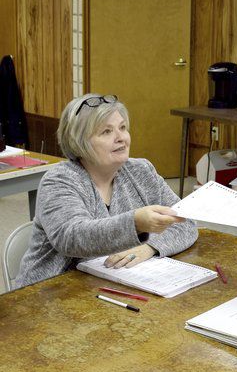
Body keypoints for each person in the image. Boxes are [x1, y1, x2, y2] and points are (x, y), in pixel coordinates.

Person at [16, 93, 197, 288]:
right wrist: (135, 223)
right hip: (50, 295)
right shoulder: (60, 180)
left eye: (122, 128)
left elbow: (185, 223)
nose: (121, 138)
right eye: (106, 132)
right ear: (80, 142)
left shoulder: (141, 171)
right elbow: (72, 238)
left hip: (111, 287)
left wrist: (149, 247)